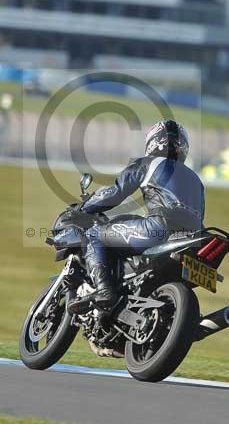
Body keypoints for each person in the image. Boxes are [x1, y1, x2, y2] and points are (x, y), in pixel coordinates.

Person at [68, 120, 205, 314]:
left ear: (154, 141)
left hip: (160, 228)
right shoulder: (196, 180)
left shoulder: (149, 163)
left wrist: (84, 208)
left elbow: (115, 192)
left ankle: (104, 290)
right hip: (194, 238)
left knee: (94, 234)